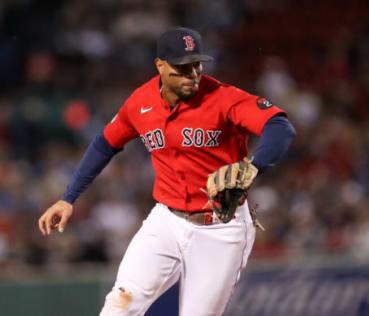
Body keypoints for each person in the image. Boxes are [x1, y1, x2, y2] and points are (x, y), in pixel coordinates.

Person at [38, 26, 296, 316]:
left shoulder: (224, 98)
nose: (193, 73)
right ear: (160, 65)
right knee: (118, 306)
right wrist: (68, 198)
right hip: (166, 221)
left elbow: (279, 126)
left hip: (222, 228)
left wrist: (255, 167)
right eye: (182, 67)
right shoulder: (141, 102)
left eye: (197, 65)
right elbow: (103, 144)